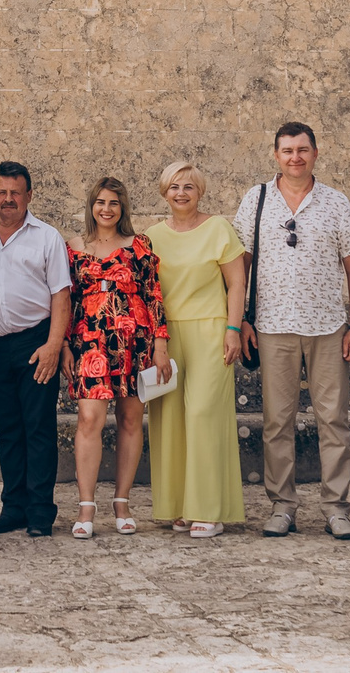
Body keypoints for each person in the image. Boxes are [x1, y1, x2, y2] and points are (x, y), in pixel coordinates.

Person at [232, 122, 350, 540]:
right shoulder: (256, 199)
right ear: (276, 155)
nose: (296, 157)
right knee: (277, 422)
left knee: (334, 421)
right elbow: (239, 266)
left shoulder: (335, 201)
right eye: (288, 150)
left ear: (315, 153)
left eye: (303, 150)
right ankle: (282, 506)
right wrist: (242, 321)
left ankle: (336, 508)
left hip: (328, 326)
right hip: (272, 327)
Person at [142, 161, 247, 537]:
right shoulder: (151, 237)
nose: (181, 193)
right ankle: (179, 506)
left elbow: (237, 283)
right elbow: (148, 292)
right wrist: (155, 340)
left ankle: (208, 510)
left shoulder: (218, 228)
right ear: (164, 192)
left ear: (200, 191)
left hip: (211, 330)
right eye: (174, 187)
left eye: (188, 186)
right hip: (166, 336)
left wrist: (233, 329)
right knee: (169, 418)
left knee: (204, 413)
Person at [64, 176, 169, 538]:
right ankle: (86, 506)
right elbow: (65, 299)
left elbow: (154, 294)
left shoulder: (140, 245)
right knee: (89, 419)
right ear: (91, 206)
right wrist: (63, 345)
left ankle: (122, 503)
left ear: (122, 208)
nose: (106, 209)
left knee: (130, 419)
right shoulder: (73, 247)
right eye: (101, 202)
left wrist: (160, 344)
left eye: (114, 203)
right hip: (89, 341)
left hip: (135, 341)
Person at [0, 161, 72, 537]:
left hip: (36, 343)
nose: (8, 199)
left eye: (15, 192)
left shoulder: (47, 237)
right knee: (8, 431)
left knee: (39, 429)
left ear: (29, 195)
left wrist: (54, 345)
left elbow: (61, 296)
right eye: (2, 192)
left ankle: (40, 512)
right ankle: (13, 507)